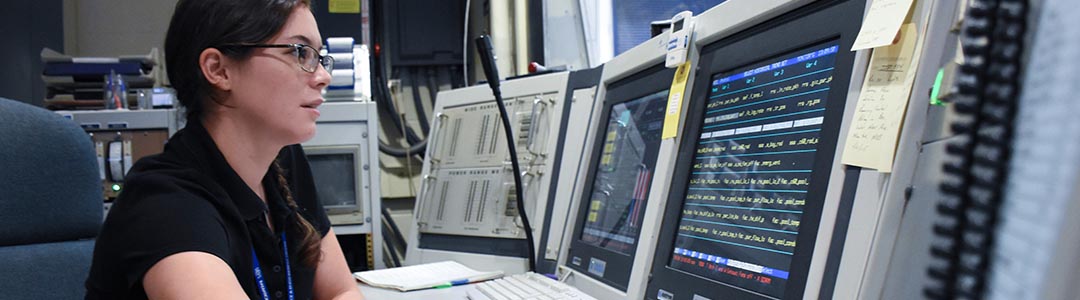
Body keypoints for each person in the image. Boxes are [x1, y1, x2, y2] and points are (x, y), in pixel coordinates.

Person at [85, 0, 364, 299]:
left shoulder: (283, 160)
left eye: (320, 57)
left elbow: (341, 290)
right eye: (300, 52)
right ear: (218, 70)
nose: (323, 76)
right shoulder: (165, 204)